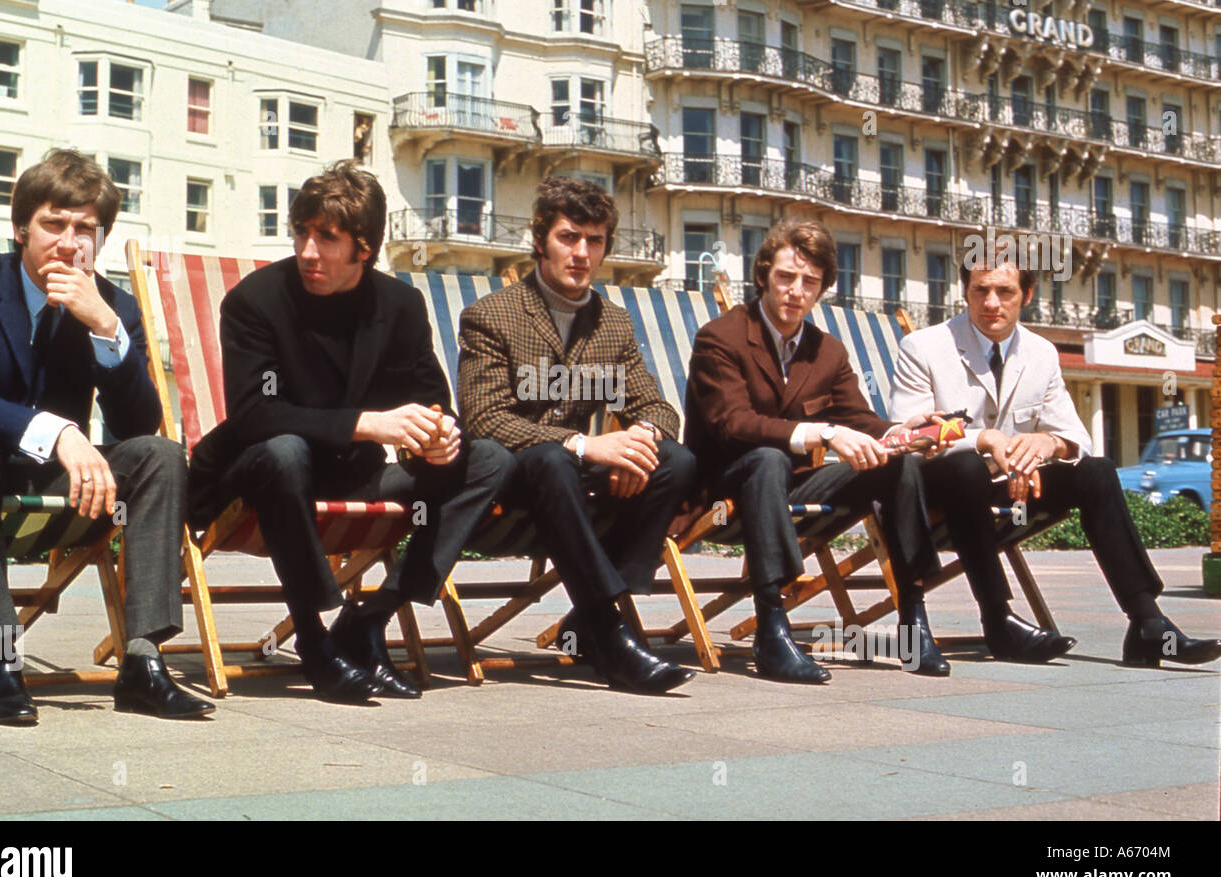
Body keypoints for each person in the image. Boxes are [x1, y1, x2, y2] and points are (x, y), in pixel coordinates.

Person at [190, 161, 510, 703]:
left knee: (491, 461)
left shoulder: (398, 306)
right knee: (286, 451)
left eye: (328, 238)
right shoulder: (256, 302)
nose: (308, 251)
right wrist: (367, 424)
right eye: (301, 233)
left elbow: (433, 400)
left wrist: (440, 438)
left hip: (345, 478)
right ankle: (315, 639)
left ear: (364, 247)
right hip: (251, 478)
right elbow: (253, 414)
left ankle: (368, 619)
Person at [0, 149, 213, 724]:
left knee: (158, 454)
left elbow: (136, 426)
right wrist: (60, 433)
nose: (68, 241)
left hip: (53, 482)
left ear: (100, 239)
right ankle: (1, 664)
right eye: (54, 223)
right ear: (21, 228)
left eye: (85, 228)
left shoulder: (112, 306)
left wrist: (105, 329)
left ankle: (142, 662)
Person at [686, 218, 988, 681]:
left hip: (794, 484)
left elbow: (858, 419)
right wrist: (823, 434)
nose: (795, 291)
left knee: (899, 463)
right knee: (767, 458)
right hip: (726, 486)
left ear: (823, 288)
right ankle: (771, 625)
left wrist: (903, 429)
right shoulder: (720, 336)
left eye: (810, 282)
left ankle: (913, 614)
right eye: (786, 277)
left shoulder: (826, 351)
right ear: (764, 273)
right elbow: (733, 423)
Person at [890, 248, 1221, 668]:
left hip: (1015, 489)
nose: (991, 303)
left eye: (1004, 291)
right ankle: (998, 619)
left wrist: (1048, 446)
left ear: (1026, 295)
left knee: (1097, 472)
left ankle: (1146, 621)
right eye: (981, 290)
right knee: (967, 465)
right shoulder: (923, 346)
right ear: (966, 292)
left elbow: (1076, 438)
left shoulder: (1041, 352)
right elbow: (907, 434)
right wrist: (983, 438)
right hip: (942, 487)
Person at [457, 177, 696, 694]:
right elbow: (484, 418)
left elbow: (656, 405)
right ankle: (610, 632)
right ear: (540, 237)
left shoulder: (611, 321)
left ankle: (590, 619)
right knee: (551, 459)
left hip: (573, 481)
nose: (582, 253)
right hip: (511, 476)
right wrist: (588, 445)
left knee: (676, 460)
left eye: (595, 240)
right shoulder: (491, 316)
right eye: (569, 237)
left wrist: (640, 442)